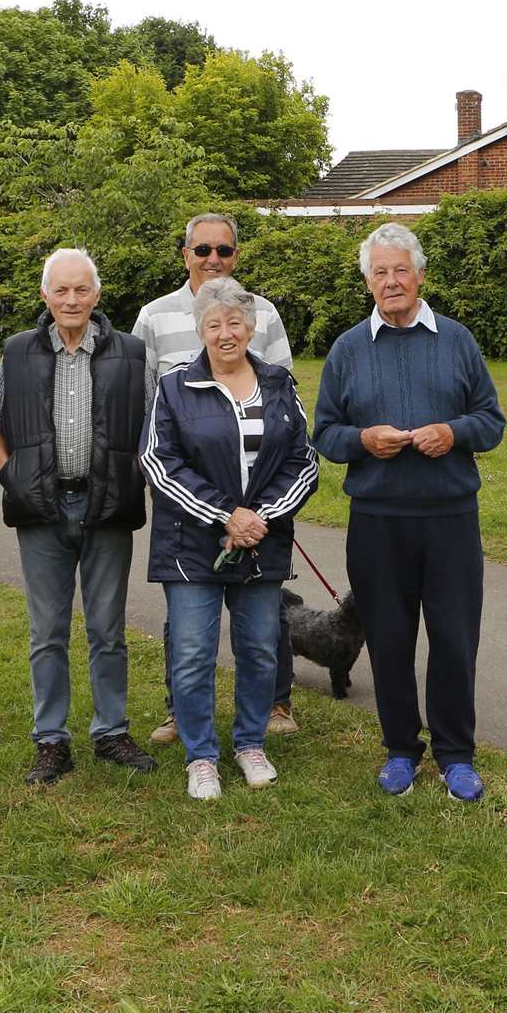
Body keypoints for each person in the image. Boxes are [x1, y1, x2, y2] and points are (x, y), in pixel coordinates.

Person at [312, 222, 505, 802]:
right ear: (367, 280)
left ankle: (455, 754)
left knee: (453, 638)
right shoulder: (348, 349)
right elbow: (325, 430)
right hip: (377, 520)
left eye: (401, 270)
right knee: (390, 638)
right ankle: (400, 749)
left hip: (449, 517)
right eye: (380, 272)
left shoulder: (457, 341)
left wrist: (455, 431)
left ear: (420, 275)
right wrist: (362, 441)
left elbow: (491, 422)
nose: (391, 281)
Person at [139, 278, 318, 800]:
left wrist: (259, 516)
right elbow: (160, 461)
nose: (225, 334)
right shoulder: (175, 387)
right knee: (193, 652)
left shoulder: (279, 385)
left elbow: (302, 460)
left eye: (234, 323)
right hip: (191, 546)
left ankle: (249, 743)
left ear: (251, 327)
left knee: (260, 649)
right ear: (200, 330)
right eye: (214, 324)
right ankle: (201, 756)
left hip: (262, 541)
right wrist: (225, 517)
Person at [0, 248, 157, 784]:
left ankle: (111, 731)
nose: (71, 299)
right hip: (41, 507)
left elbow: (155, 425)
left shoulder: (131, 353)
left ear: (97, 296)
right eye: (61, 290)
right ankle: (51, 740)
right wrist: (10, 475)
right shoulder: (17, 352)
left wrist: (139, 477)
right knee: (48, 632)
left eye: (81, 289)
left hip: (108, 506)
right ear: (45, 296)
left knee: (108, 629)